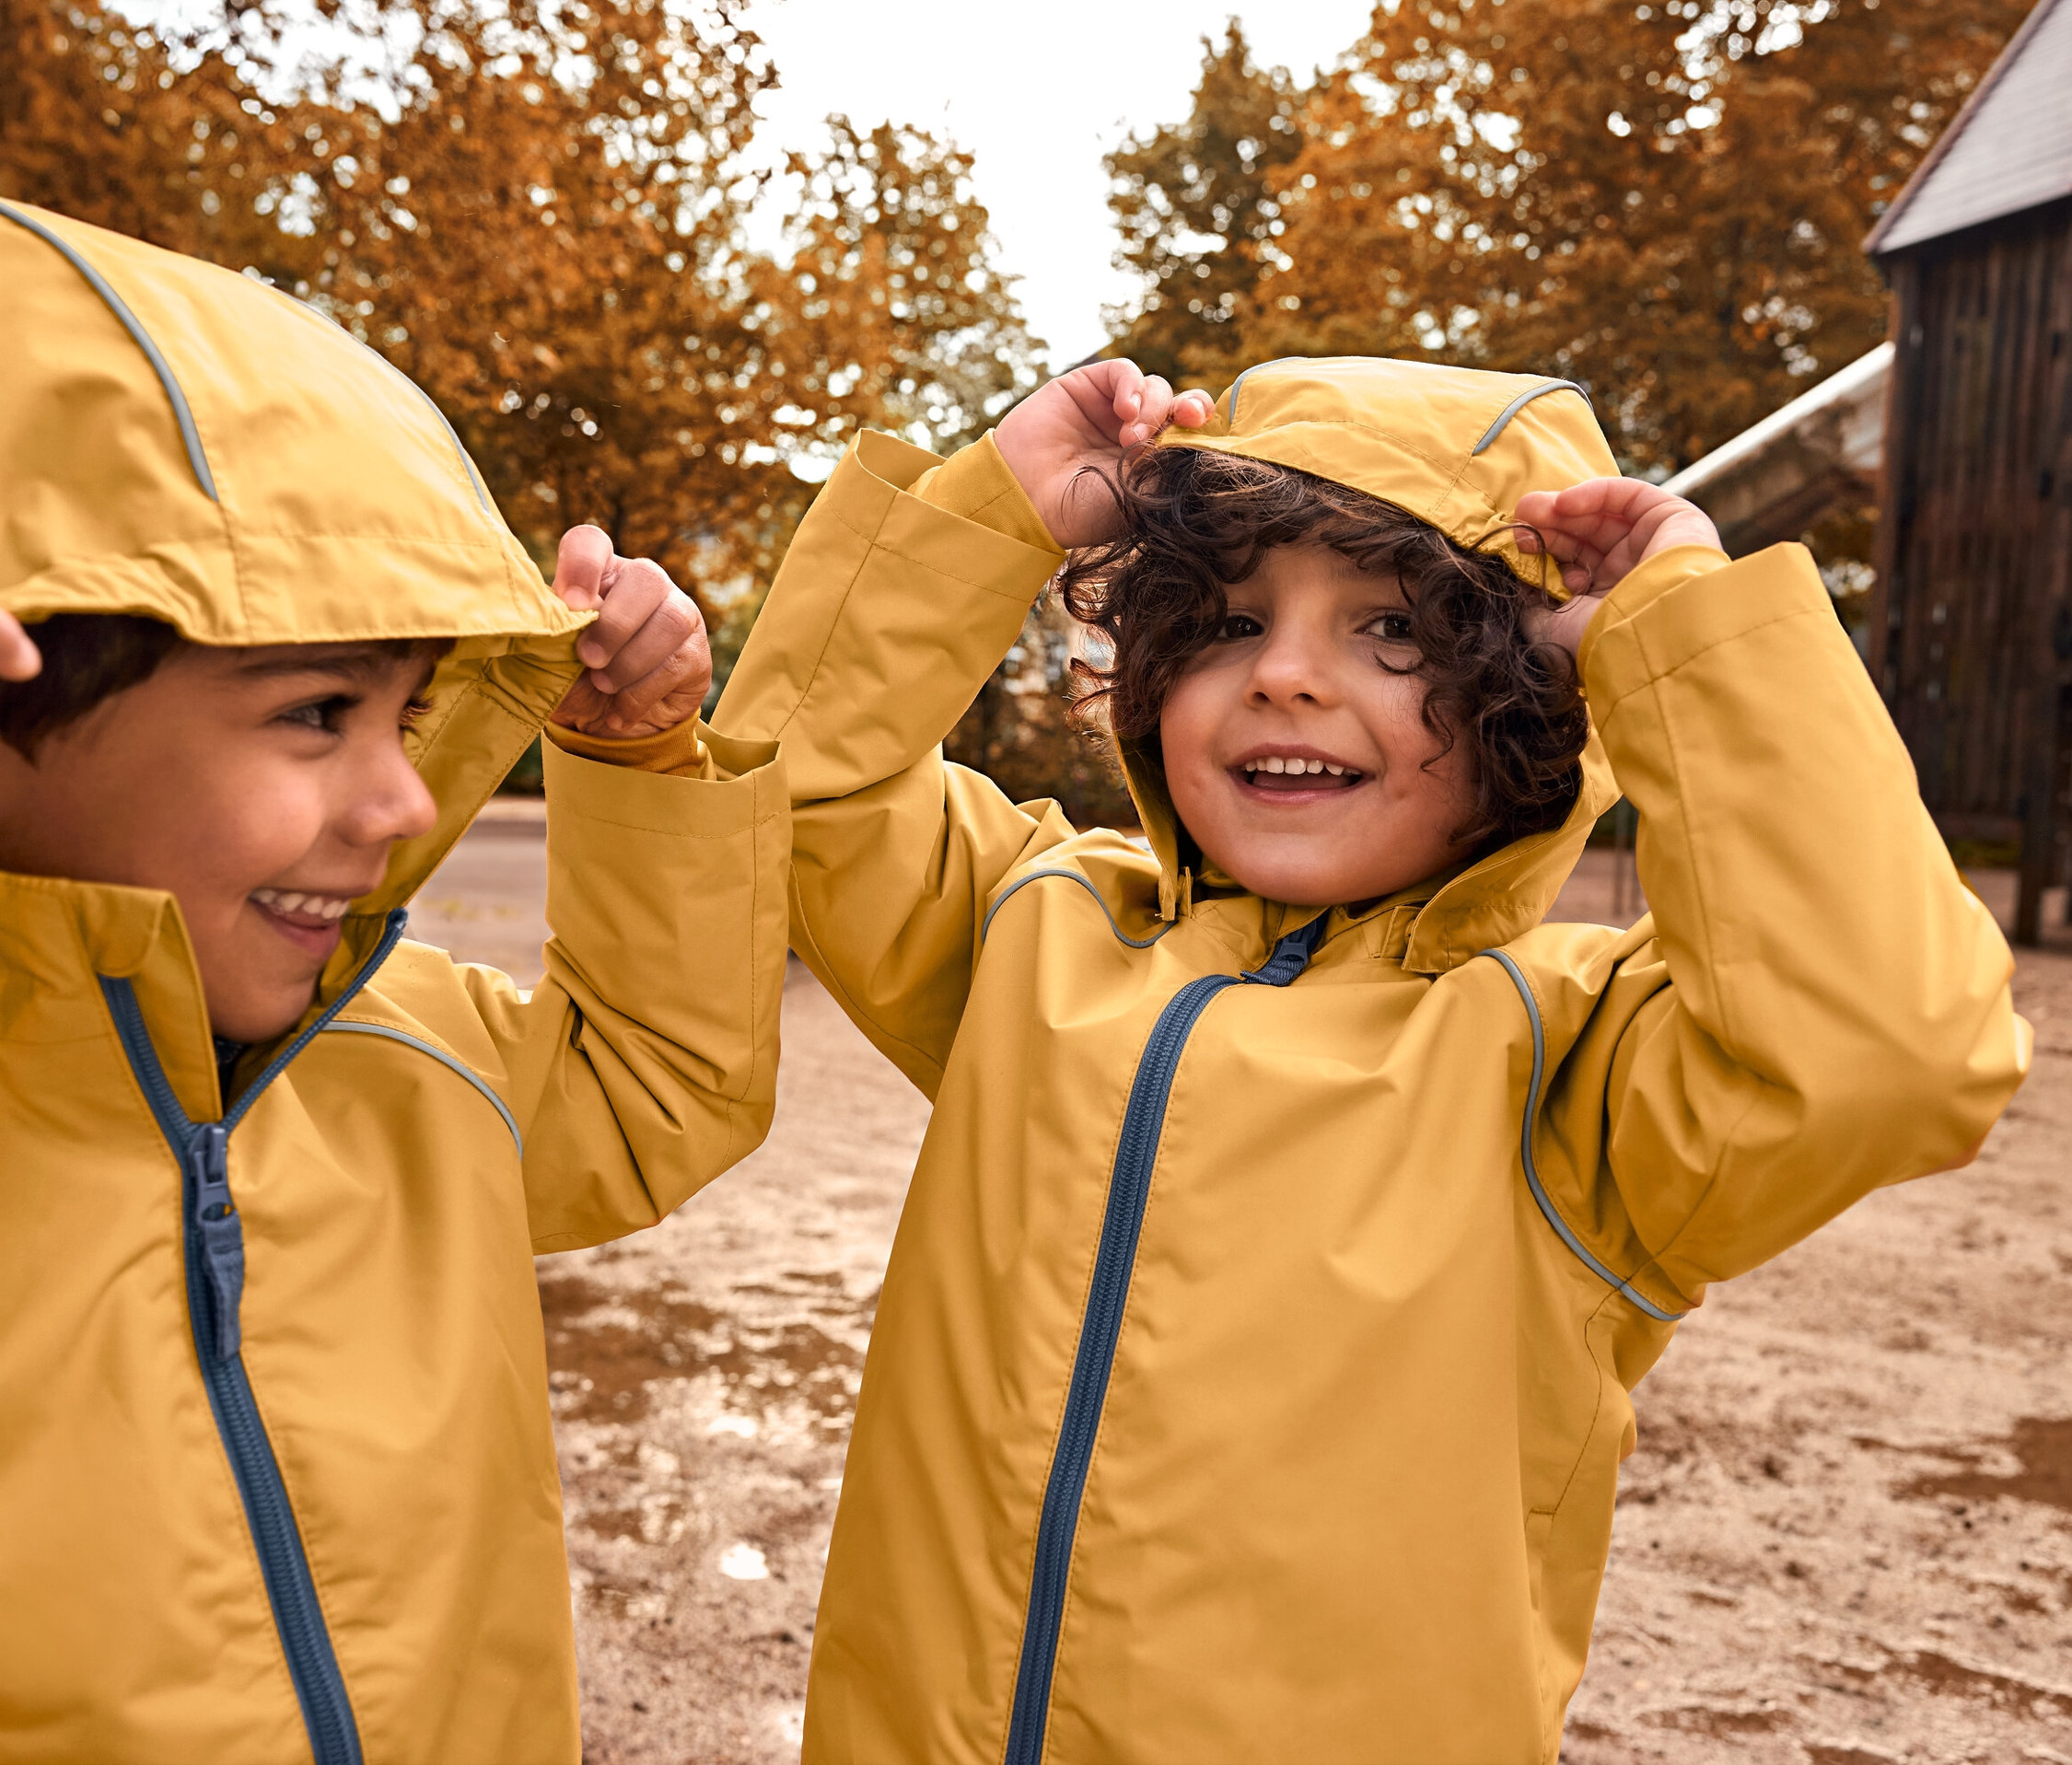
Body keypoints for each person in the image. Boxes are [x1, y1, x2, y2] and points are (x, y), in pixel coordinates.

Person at [713, 354, 2031, 1763]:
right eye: (1225, 622)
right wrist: (992, 511)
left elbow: (1894, 1045)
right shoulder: (1037, 930)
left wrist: (1683, 636)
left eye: (1390, 627)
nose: (1283, 673)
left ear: (1526, 699)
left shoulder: (1579, 1067)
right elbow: (790, 789)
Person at [0, 201, 787, 1764]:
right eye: (312, 714)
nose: (408, 801)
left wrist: (635, 758)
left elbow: (655, 1086)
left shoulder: (410, 1052)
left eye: (410, 712)